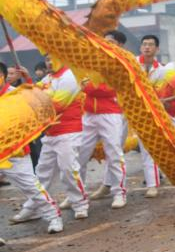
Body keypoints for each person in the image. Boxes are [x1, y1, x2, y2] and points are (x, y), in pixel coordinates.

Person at [3, 63, 64, 234]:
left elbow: (39, 105)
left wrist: (28, 80)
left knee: (32, 187)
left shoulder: (15, 95)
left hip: (15, 152)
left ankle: (53, 216)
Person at [74, 30, 129, 209]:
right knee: (79, 154)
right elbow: (82, 82)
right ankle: (77, 195)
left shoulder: (121, 63)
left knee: (113, 153)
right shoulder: (92, 62)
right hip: (89, 115)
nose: (106, 44)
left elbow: (111, 89)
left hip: (110, 114)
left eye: (110, 42)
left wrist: (89, 88)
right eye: (104, 41)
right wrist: (89, 87)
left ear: (119, 45)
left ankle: (119, 193)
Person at [32, 57, 90, 220]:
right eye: (46, 59)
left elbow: (56, 106)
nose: (49, 63)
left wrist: (36, 105)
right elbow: (33, 95)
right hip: (51, 133)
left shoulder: (70, 77)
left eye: (53, 59)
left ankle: (80, 204)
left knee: (68, 170)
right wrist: (27, 80)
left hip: (68, 131)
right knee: (42, 172)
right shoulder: (48, 78)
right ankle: (34, 206)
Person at [137, 34, 167, 197]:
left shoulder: (161, 70)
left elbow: (160, 94)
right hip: (125, 110)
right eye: (144, 44)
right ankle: (110, 186)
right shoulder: (132, 63)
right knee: (114, 149)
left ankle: (152, 184)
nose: (147, 47)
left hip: (148, 114)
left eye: (150, 44)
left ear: (157, 49)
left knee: (148, 148)